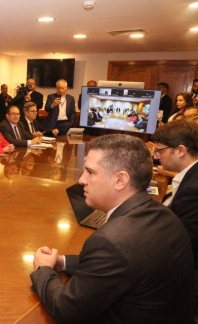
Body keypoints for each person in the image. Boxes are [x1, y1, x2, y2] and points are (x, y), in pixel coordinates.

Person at [30, 134, 194, 323]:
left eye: (90, 172)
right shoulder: (163, 214)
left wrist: (44, 269)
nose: (82, 180)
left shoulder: (110, 241)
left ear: (120, 180)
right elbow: (123, 263)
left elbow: (65, 310)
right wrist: (63, 262)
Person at [151, 119, 198, 312]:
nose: (155, 156)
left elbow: (182, 244)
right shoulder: (191, 175)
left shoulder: (193, 190)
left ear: (180, 150)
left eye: (159, 151)